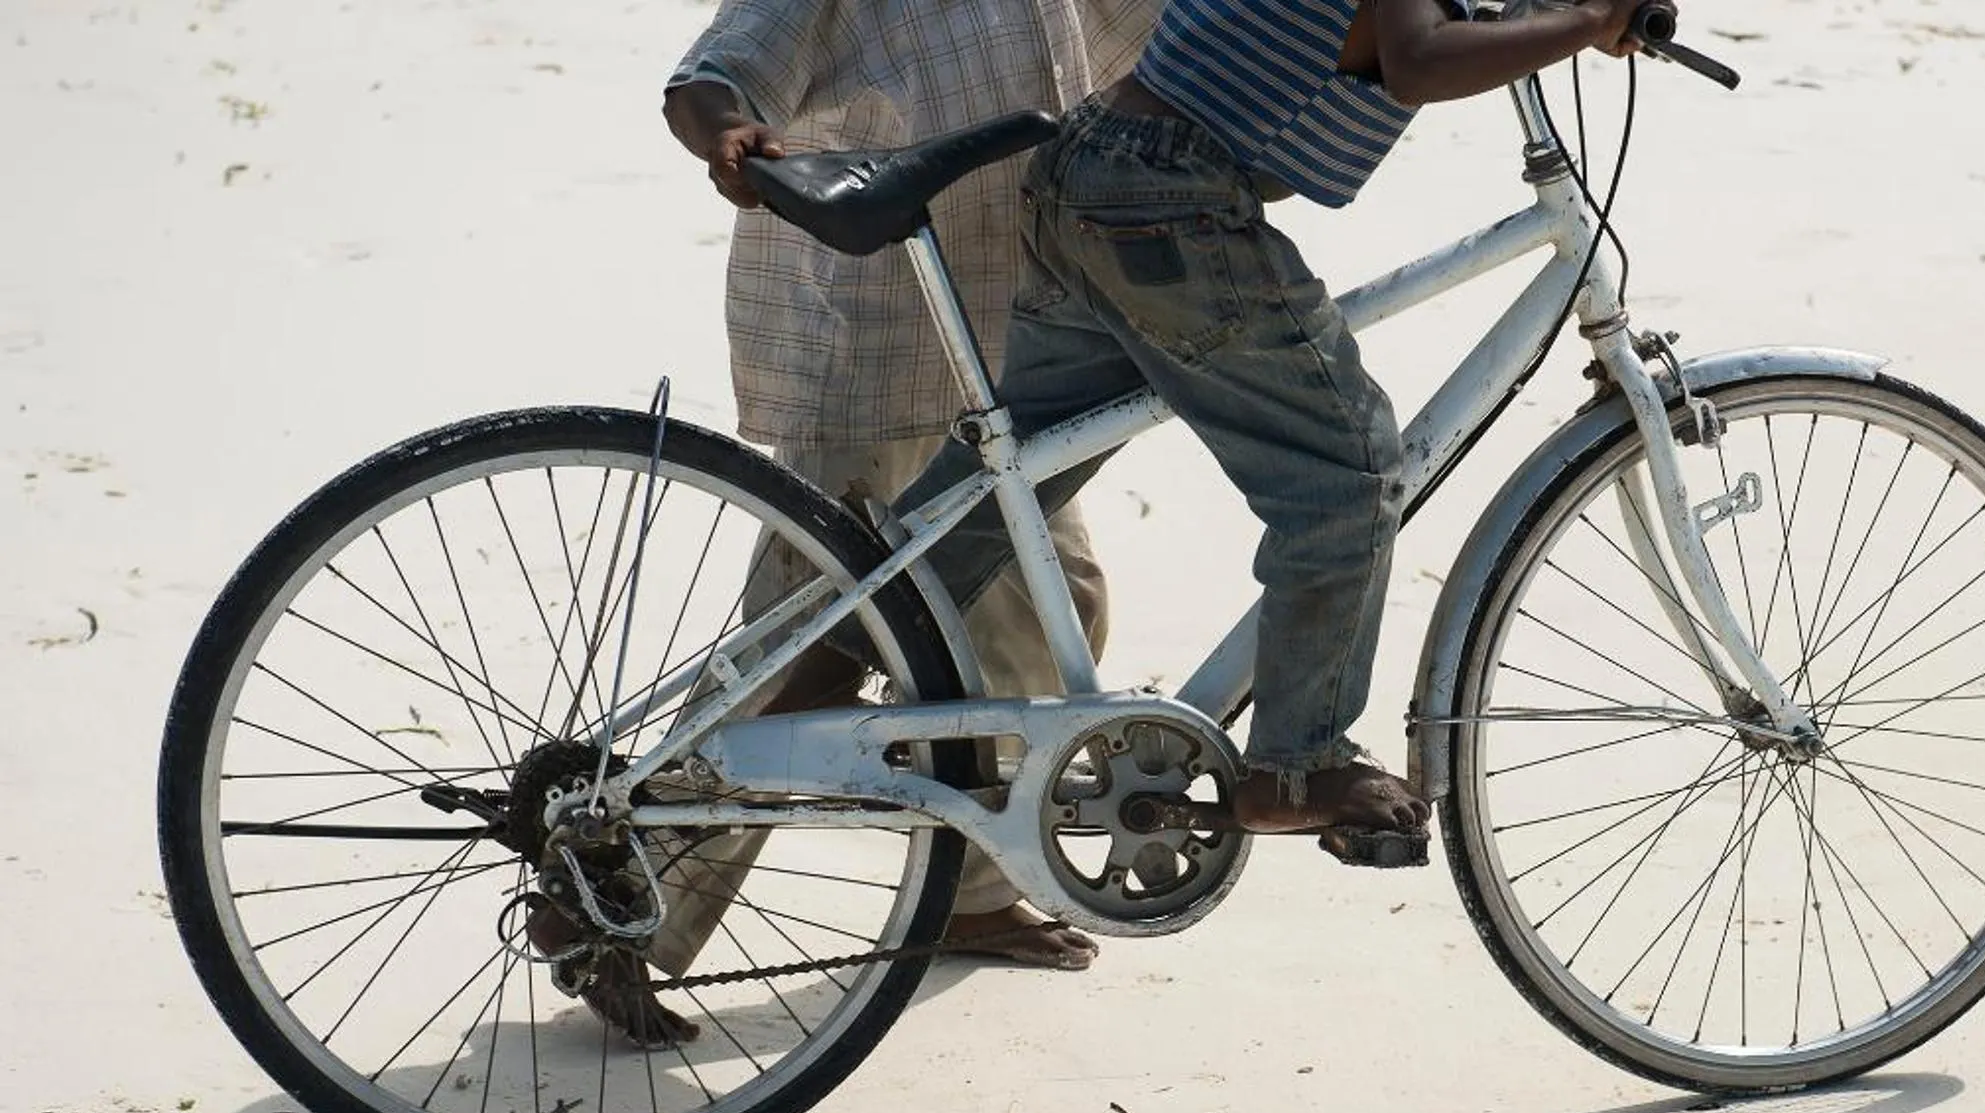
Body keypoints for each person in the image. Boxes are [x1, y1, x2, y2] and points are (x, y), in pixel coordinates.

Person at [883, 0, 1658, 847]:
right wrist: (1585, 23)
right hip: (1167, 198)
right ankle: (1298, 766)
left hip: (1097, 161)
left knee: (1018, 474)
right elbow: (1418, 60)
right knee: (1347, 475)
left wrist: (1554, 19)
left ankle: (826, 648)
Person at [545, 0, 1161, 1050]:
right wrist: (726, 132)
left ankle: (965, 889)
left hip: (999, 361)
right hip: (869, 362)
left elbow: (1159, 33)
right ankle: (613, 910)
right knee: (796, 664)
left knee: (1047, 621)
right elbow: (713, 73)